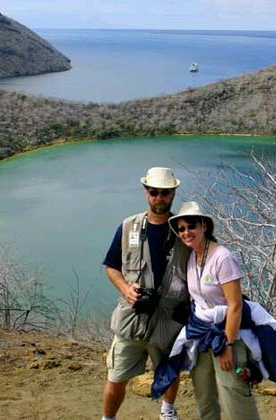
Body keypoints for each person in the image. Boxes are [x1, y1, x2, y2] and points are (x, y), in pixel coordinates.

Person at [163, 201, 274, 420]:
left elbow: (235, 305)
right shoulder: (192, 256)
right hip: (201, 334)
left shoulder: (222, 257)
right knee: (204, 395)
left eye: (191, 226)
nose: (186, 232)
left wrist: (227, 346)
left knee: (233, 394)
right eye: (182, 228)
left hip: (227, 334)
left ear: (204, 226)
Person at [101, 167, 190, 420]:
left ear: (173, 194)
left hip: (168, 320)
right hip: (132, 318)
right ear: (146, 192)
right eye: (154, 192)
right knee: (116, 376)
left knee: (170, 371)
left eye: (165, 193)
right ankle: (108, 418)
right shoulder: (128, 227)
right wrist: (125, 289)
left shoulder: (183, 231)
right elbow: (111, 266)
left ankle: (167, 411)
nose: (159, 198)